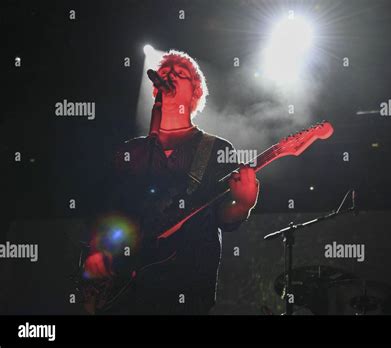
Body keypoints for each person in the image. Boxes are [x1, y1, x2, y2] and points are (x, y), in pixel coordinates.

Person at [83, 50, 259, 315]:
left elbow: (221, 215)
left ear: (196, 92)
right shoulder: (131, 151)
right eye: (165, 73)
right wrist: (99, 250)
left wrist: (244, 204)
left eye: (180, 74)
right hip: (126, 286)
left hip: (187, 284)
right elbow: (109, 209)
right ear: (155, 91)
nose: (170, 75)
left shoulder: (216, 149)